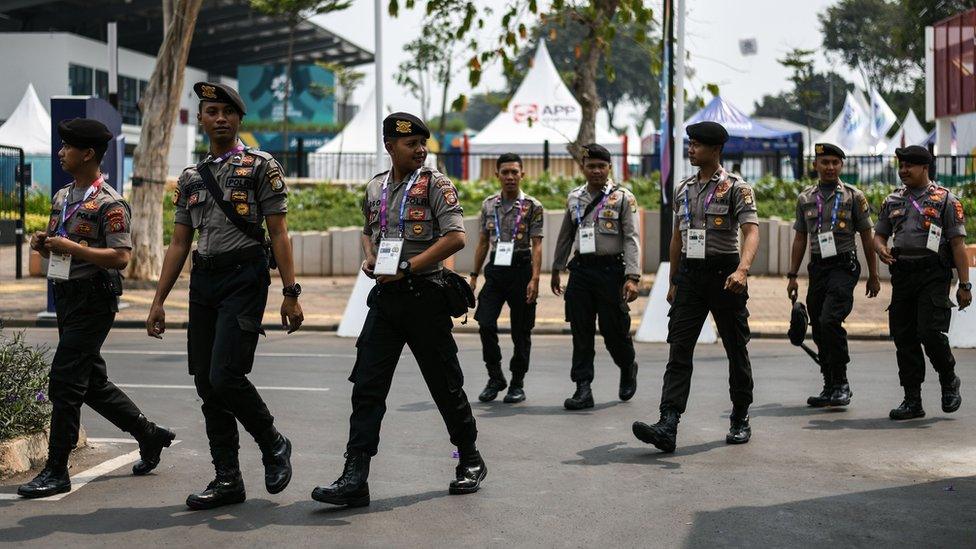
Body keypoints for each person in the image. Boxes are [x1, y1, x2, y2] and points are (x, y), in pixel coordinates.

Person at [311, 113, 485, 508]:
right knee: (367, 388)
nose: (420, 150)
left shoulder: (436, 184)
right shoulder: (375, 187)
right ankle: (355, 476)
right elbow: (369, 231)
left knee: (445, 386)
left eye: (423, 143)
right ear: (390, 145)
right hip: (386, 300)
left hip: (425, 296)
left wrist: (408, 266)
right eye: (411, 144)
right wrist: (370, 257)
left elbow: (457, 237)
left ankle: (469, 459)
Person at [145, 82, 304, 510]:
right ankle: (227, 478)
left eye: (227, 112)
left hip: (245, 277)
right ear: (200, 119)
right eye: (211, 111)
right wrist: (159, 300)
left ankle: (273, 442)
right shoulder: (192, 177)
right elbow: (179, 243)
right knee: (205, 381)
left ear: (238, 119)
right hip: (205, 281)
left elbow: (279, 232)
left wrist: (291, 292)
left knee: (224, 375)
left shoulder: (260, 166)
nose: (219, 118)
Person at [19, 118, 174, 499]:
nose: (60, 152)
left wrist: (73, 249)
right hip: (68, 296)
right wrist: (45, 243)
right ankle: (148, 434)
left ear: (87, 153)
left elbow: (121, 257)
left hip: (94, 298)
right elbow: (62, 242)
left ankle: (57, 470)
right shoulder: (62, 197)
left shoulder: (111, 203)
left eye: (67, 147)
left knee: (66, 381)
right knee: (90, 383)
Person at [633, 121, 759, 452]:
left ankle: (740, 416)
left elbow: (751, 231)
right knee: (679, 349)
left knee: (735, 348)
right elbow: (677, 237)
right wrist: (674, 279)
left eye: (697, 145)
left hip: (725, 274)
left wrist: (743, 270)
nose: (690, 149)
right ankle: (668, 423)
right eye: (689, 144)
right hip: (691, 275)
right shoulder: (684, 188)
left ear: (715, 150)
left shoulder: (736, 188)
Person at [874, 145, 967, 420]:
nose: (903, 171)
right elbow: (879, 235)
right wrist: (881, 249)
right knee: (904, 337)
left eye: (909, 166)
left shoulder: (946, 200)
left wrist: (964, 285)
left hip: (933, 274)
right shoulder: (892, 200)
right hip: (903, 274)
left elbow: (958, 245)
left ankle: (949, 379)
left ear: (924, 167)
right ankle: (912, 399)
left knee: (929, 332)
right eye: (900, 166)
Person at [786, 143, 881, 407]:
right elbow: (800, 238)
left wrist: (874, 275)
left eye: (834, 163)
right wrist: (792, 275)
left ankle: (842, 384)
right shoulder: (805, 198)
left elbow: (866, 237)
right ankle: (829, 384)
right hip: (817, 269)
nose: (829, 167)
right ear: (815, 165)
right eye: (824, 162)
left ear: (841, 165)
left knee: (830, 320)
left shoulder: (854, 197)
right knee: (817, 323)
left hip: (844, 267)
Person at [551, 143, 641, 410]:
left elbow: (632, 238)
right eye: (591, 166)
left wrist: (632, 276)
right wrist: (556, 268)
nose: (596, 171)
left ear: (609, 168)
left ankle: (627, 365)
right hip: (581, 270)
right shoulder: (574, 197)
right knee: (581, 330)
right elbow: (566, 235)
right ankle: (583, 388)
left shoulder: (623, 197)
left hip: (611, 271)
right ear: (583, 168)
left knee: (614, 330)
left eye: (601, 166)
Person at [469, 153, 544, 403]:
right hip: (496, 270)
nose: (510, 177)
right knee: (486, 322)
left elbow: (537, 245)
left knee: (521, 331)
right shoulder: (489, 205)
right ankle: (495, 376)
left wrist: (534, 279)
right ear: (497, 175)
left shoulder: (533, 206)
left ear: (522, 174)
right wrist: (473, 276)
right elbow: (481, 243)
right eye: (505, 172)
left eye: (514, 172)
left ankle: (516, 383)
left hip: (522, 270)